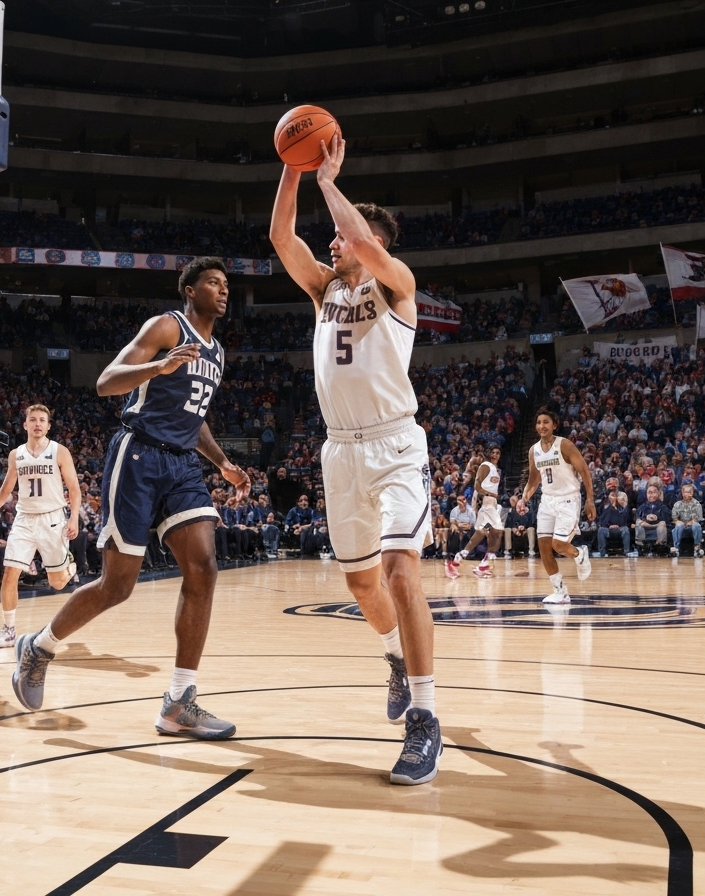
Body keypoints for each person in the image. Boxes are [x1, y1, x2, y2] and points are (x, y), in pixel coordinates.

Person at [11, 257, 250, 742]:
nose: (223, 290)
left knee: (203, 567)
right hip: (138, 456)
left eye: (227, 285)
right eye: (213, 282)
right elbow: (106, 382)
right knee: (117, 586)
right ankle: (39, 648)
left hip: (183, 465)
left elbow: (194, 414)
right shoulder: (167, 325)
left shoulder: (218, 351)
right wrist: (158, 365)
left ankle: (179, 701)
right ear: (189, 289)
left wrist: (221, 461)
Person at [271, 135, 442, 785]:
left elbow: (365, 245)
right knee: (362, 585)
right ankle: (396, 657)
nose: (332, 243)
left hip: (397, 444)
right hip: (339, 452)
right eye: (335, 236)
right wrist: (293, 170)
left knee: (401, 569)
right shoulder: (323, 291)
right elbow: (283, 239)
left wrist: (327, 181)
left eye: (342, 236)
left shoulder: (398, 288)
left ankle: (425, 720)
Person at [0, 403, 82, 648]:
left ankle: (69, 565)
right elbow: (7, 488)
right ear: (25, 424)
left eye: (42, 420)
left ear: (48, 426)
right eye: (33, 419)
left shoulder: (59, 451)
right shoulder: (16, 454)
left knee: (57, 583)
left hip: (53, 518)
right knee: (9, 573)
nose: (37, 424)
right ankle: (8, 630)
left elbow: (74, 488)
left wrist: (74, 517)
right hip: (24, 519)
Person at [522, 408, 595, 601]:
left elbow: (585, 471)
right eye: (539, 422)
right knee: (544, 548)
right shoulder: (534, 450)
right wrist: (524, 498)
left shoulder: (565, 445)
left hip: (568, 499)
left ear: (554, 425)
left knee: (559, 544)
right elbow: (533, 479)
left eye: (546, 422)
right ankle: (560, 592)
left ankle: (580, 554)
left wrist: (589, 499)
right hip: (547, 500)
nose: (541, 426)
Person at [448, 446, 509, 577]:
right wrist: (487, 495)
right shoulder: (485, 465)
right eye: (493, 452)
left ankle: (458, 558)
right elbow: (477, 485)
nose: (495, 455)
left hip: (491, 502)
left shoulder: (496, 470)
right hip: (486, 501)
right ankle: (484, 564)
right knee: (498, 531)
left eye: (498, 453)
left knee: (480, 532)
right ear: (489, 454)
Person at [595, 490, 632, 557]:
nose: (614, 498)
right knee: (601, 530)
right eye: (612, 496)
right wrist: (612, 505)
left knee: (626, 530)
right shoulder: (604, 507)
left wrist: (618, 525)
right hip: (608, 529)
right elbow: (603, 520)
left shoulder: (623, 508)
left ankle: (627, 552)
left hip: (620, 529)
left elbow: (624, 520)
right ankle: (602, 553)